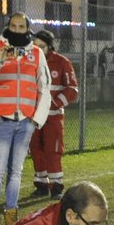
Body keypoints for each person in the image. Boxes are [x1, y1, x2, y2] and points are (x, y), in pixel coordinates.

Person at [0, 11, 50, 225]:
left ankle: (11, 215)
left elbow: (45, 87)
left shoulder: (36, 53)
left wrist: (36, 120)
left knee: (16, 171)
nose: (16, 30)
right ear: (8, 27)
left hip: (25, 122)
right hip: (1, 120)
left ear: (27, 29)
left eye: (21, 27)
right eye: (13, 26)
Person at [27, 28, 79, 199]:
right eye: (35, 46)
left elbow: (72, 89)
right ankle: (41, 185)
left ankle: (56, 186)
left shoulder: (62, 62)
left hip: (53, 116)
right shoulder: (29, 61)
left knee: (53, 150)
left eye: (41, 46)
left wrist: (54, 104)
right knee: (35, 149)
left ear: (50, 46)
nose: (37, 49)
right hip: (33, 117)